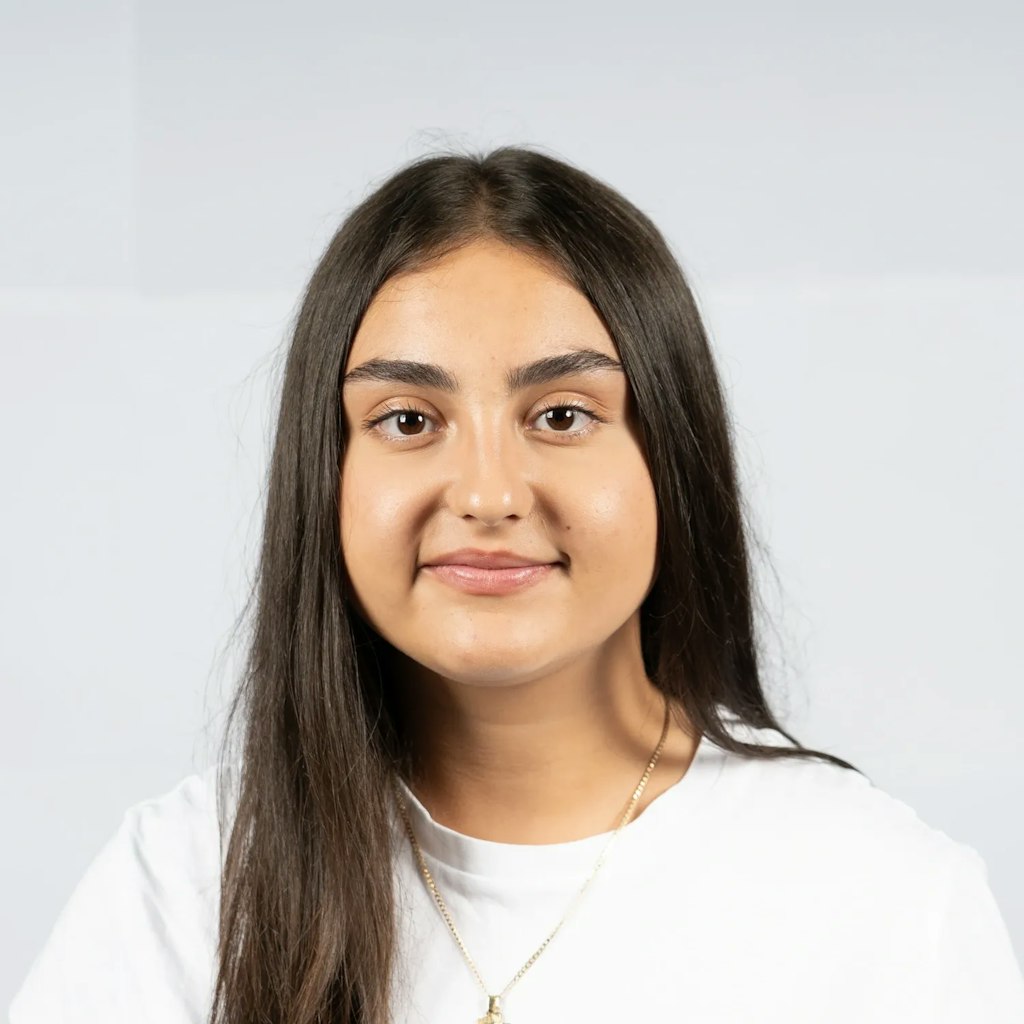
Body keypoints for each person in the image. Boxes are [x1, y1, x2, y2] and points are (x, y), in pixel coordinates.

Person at [10, 146, 1024, 1024]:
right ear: (326, 473)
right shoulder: (185, 886)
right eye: (408, 420)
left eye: (562, 415)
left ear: (671, 458)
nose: (488, 494)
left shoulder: (885, 900)